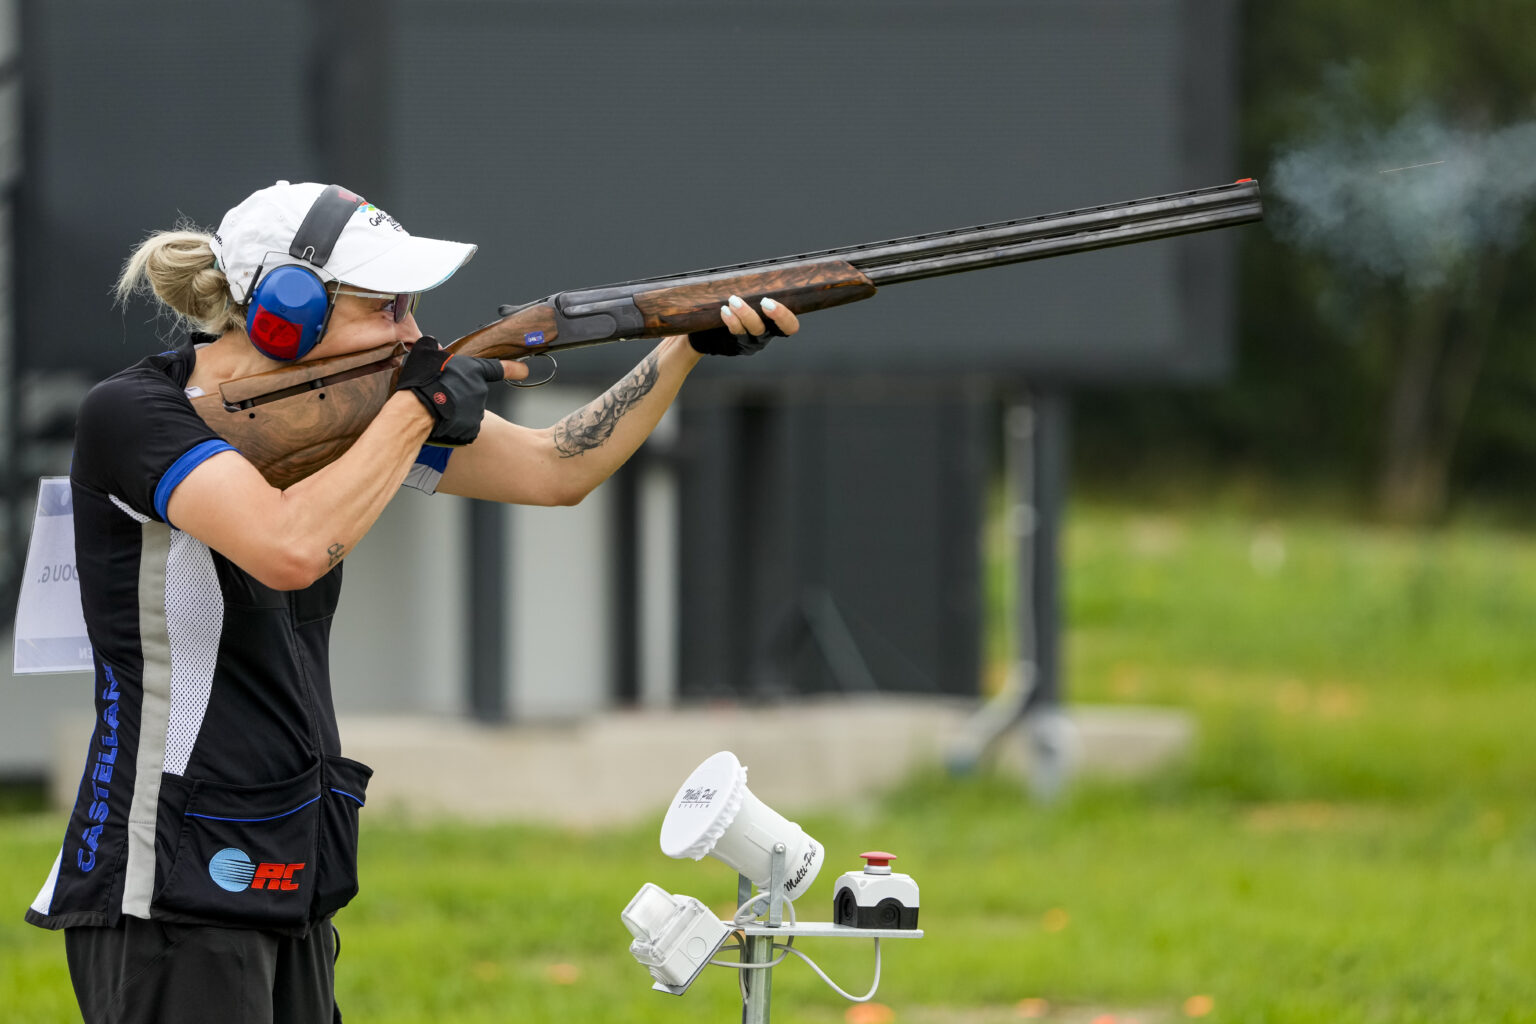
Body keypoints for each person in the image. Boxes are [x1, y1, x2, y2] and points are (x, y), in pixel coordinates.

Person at [23, 180, 800, 1023]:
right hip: (163, 877)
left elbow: (556, 468)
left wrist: (682, 345)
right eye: (386, 308)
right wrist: (414, 410)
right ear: (287, 313)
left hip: (287, 857)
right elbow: (287, 546)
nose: (415, 334)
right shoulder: (139, 415)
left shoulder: (354, 413)